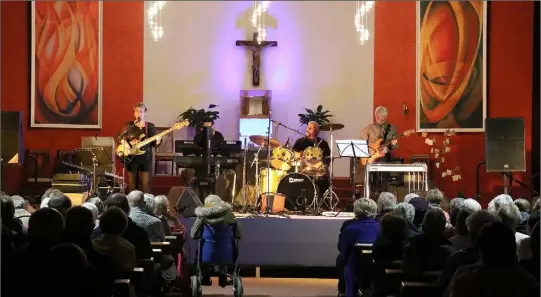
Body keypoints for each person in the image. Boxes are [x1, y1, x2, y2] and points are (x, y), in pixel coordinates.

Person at [118, 102, 161, 193]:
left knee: (146, 186)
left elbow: (154, 144)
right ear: (134, 113)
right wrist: (124, 142)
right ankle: (133, 204)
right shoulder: (129, 125)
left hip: (145, 159)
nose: (139, 113)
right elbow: (120, 137)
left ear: (145, 113)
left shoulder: (150, 126)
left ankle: (146, 204)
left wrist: (158, 140)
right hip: (131, 158)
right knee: (132, 186)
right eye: (137, 111)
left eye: (141, 111)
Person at [358, 106, 398, 194]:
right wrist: (368, 149)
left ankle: (382, 194)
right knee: (367, 176)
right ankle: (369, 194)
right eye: (378, 116)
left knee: (384, 174)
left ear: (386, 116)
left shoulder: (392, 128)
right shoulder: (369, 128)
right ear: (375, 116)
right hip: (371, 156)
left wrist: (391, 147)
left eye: (382, 117)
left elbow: (395, 146)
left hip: (384, 157)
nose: (380, 119)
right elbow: (361, 141)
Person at [292, 121, 331, 197]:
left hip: (318, 171)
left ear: (316, 131)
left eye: (310, 128)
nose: (307, 129)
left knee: (324, 181)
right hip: (303, 170)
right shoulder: (300, 142)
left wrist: (322, 163)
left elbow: (327, 159)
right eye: (307, 127)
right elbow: (293, 155)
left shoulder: (323, 143)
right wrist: (299, 156)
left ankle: (323, 201)